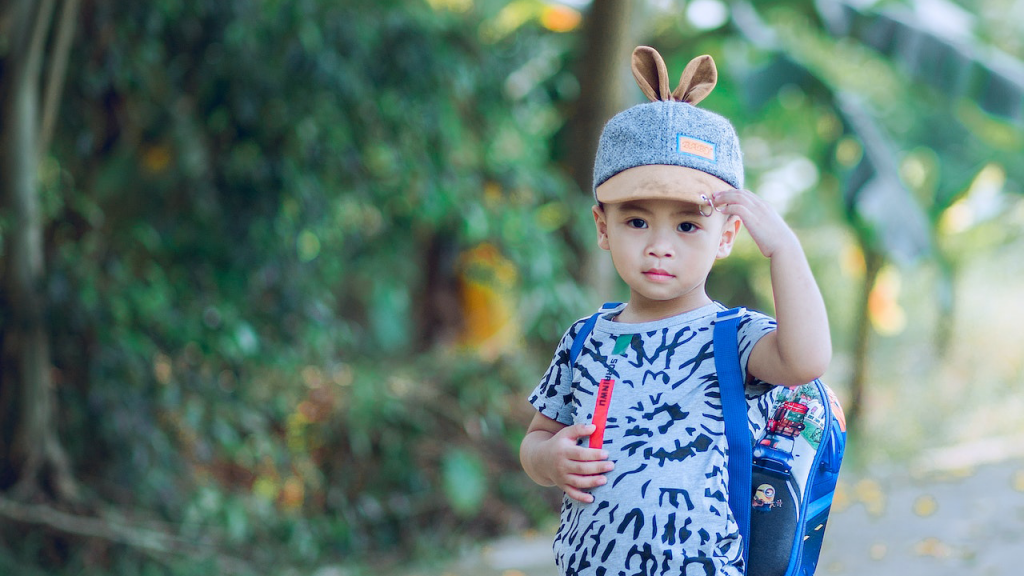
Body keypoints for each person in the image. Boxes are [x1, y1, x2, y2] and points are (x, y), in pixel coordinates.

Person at [519, 46, 831, 576]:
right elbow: (537, 437)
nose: (659, 246)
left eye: (688, 225)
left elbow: (806, 360)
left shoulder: (733, 337)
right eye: (636, 222)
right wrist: (549, 462)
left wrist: (784, 249)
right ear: (602, 227)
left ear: (727, 235)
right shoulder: (586, 336)